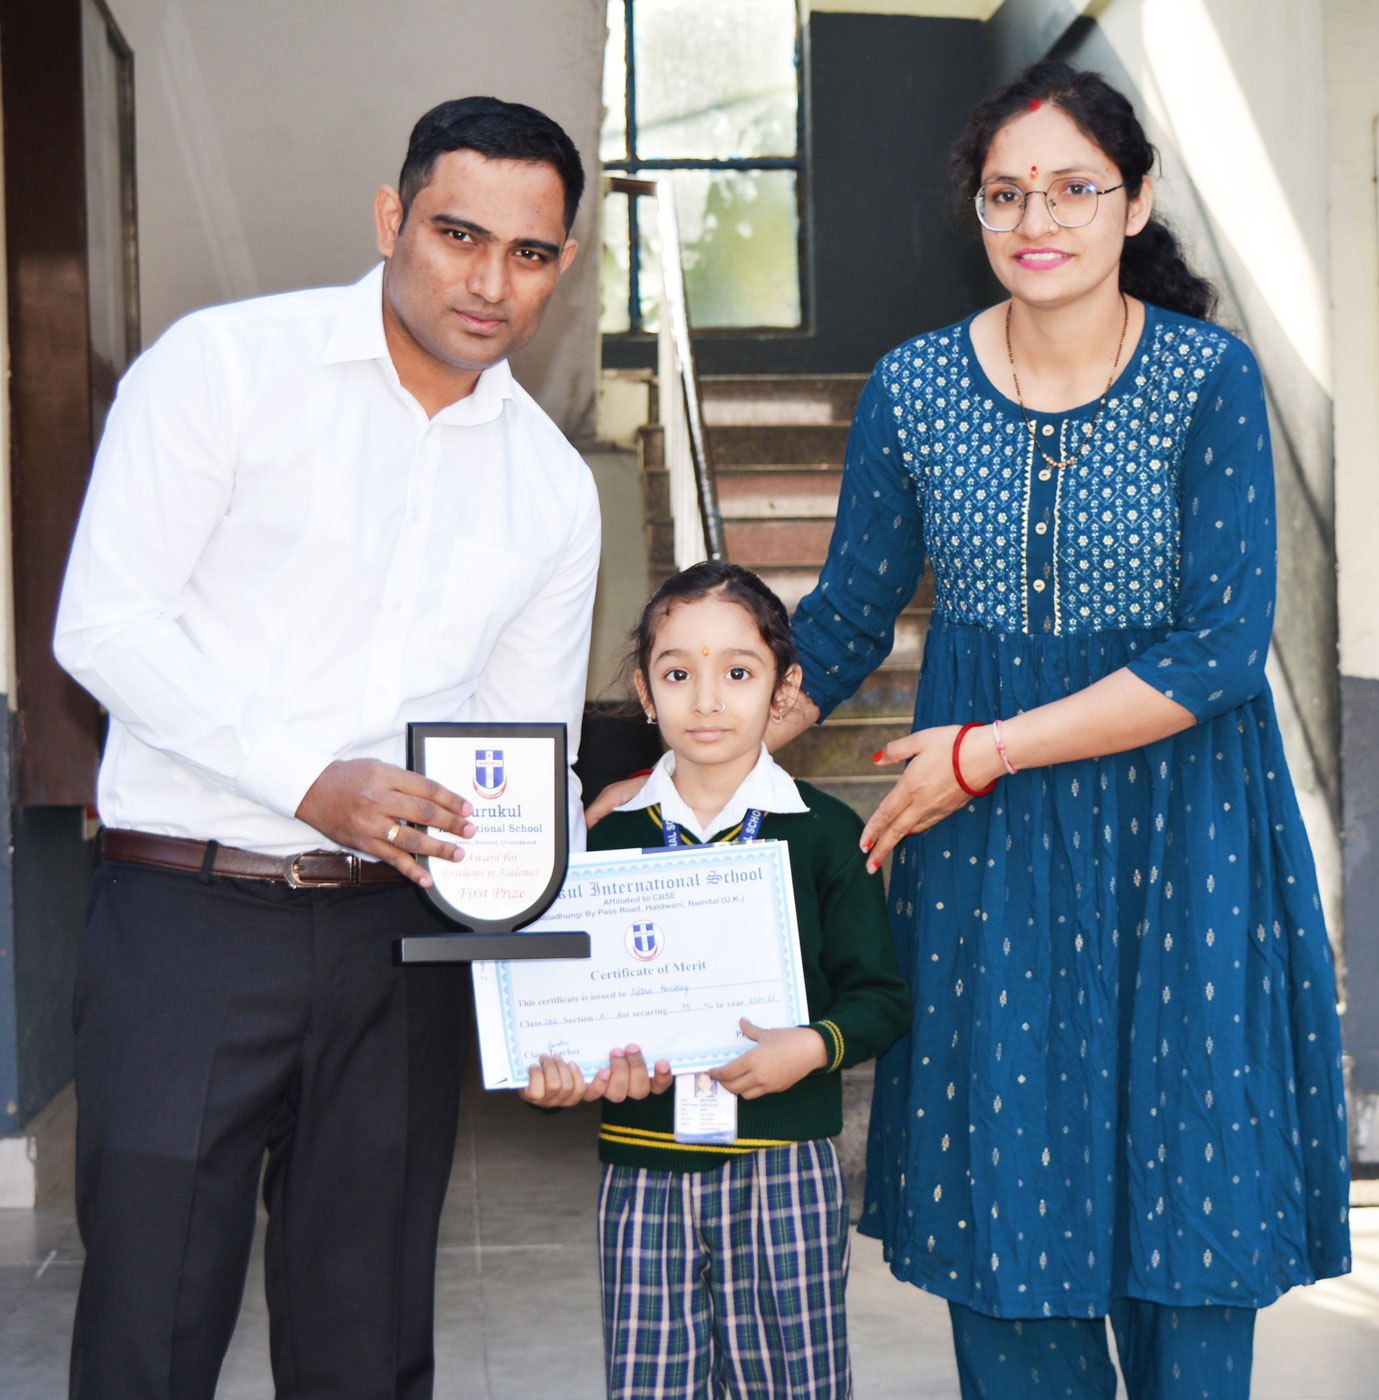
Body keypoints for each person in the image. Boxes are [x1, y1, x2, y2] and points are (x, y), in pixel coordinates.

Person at [589, 62, 1352, 1399]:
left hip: (1181, 839)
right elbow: (840, 620)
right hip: (987, 865)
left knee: (1186, 1211)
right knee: (1009, 1212)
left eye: (1071, 189)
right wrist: (678, 775)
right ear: (976, 210)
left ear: (1134, 202)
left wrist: (983, 748)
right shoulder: (915, 388)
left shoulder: (1205, 380)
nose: (1034, 218)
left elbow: (1220, 649)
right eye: (1004, 194)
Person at [53, 96, 597, 1399]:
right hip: (186, 916)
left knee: (365, 1339)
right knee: (147, 1333)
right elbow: (103, 624)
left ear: (561, 267)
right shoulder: (224, 368)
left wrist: (579, 988)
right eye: (458, 235)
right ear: (391, 218)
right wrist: (309, 782)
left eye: (527, 253)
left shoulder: (550, 485)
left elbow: (524, 761)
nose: (489, 282)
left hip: (395, 943)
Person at [523, 562, 912, 1400]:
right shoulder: (603, 840)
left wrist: (813, 1046)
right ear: (644, 692)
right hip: (642, 1168)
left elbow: (880, 999)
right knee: (649, 1380)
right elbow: (564, 1006)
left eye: (738, 673)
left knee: (794, 1382)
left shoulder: (824, 834)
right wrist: (555, 1070)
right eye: (677, 675)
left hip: (784, 1166)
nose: (706, 700)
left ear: (784, 688)